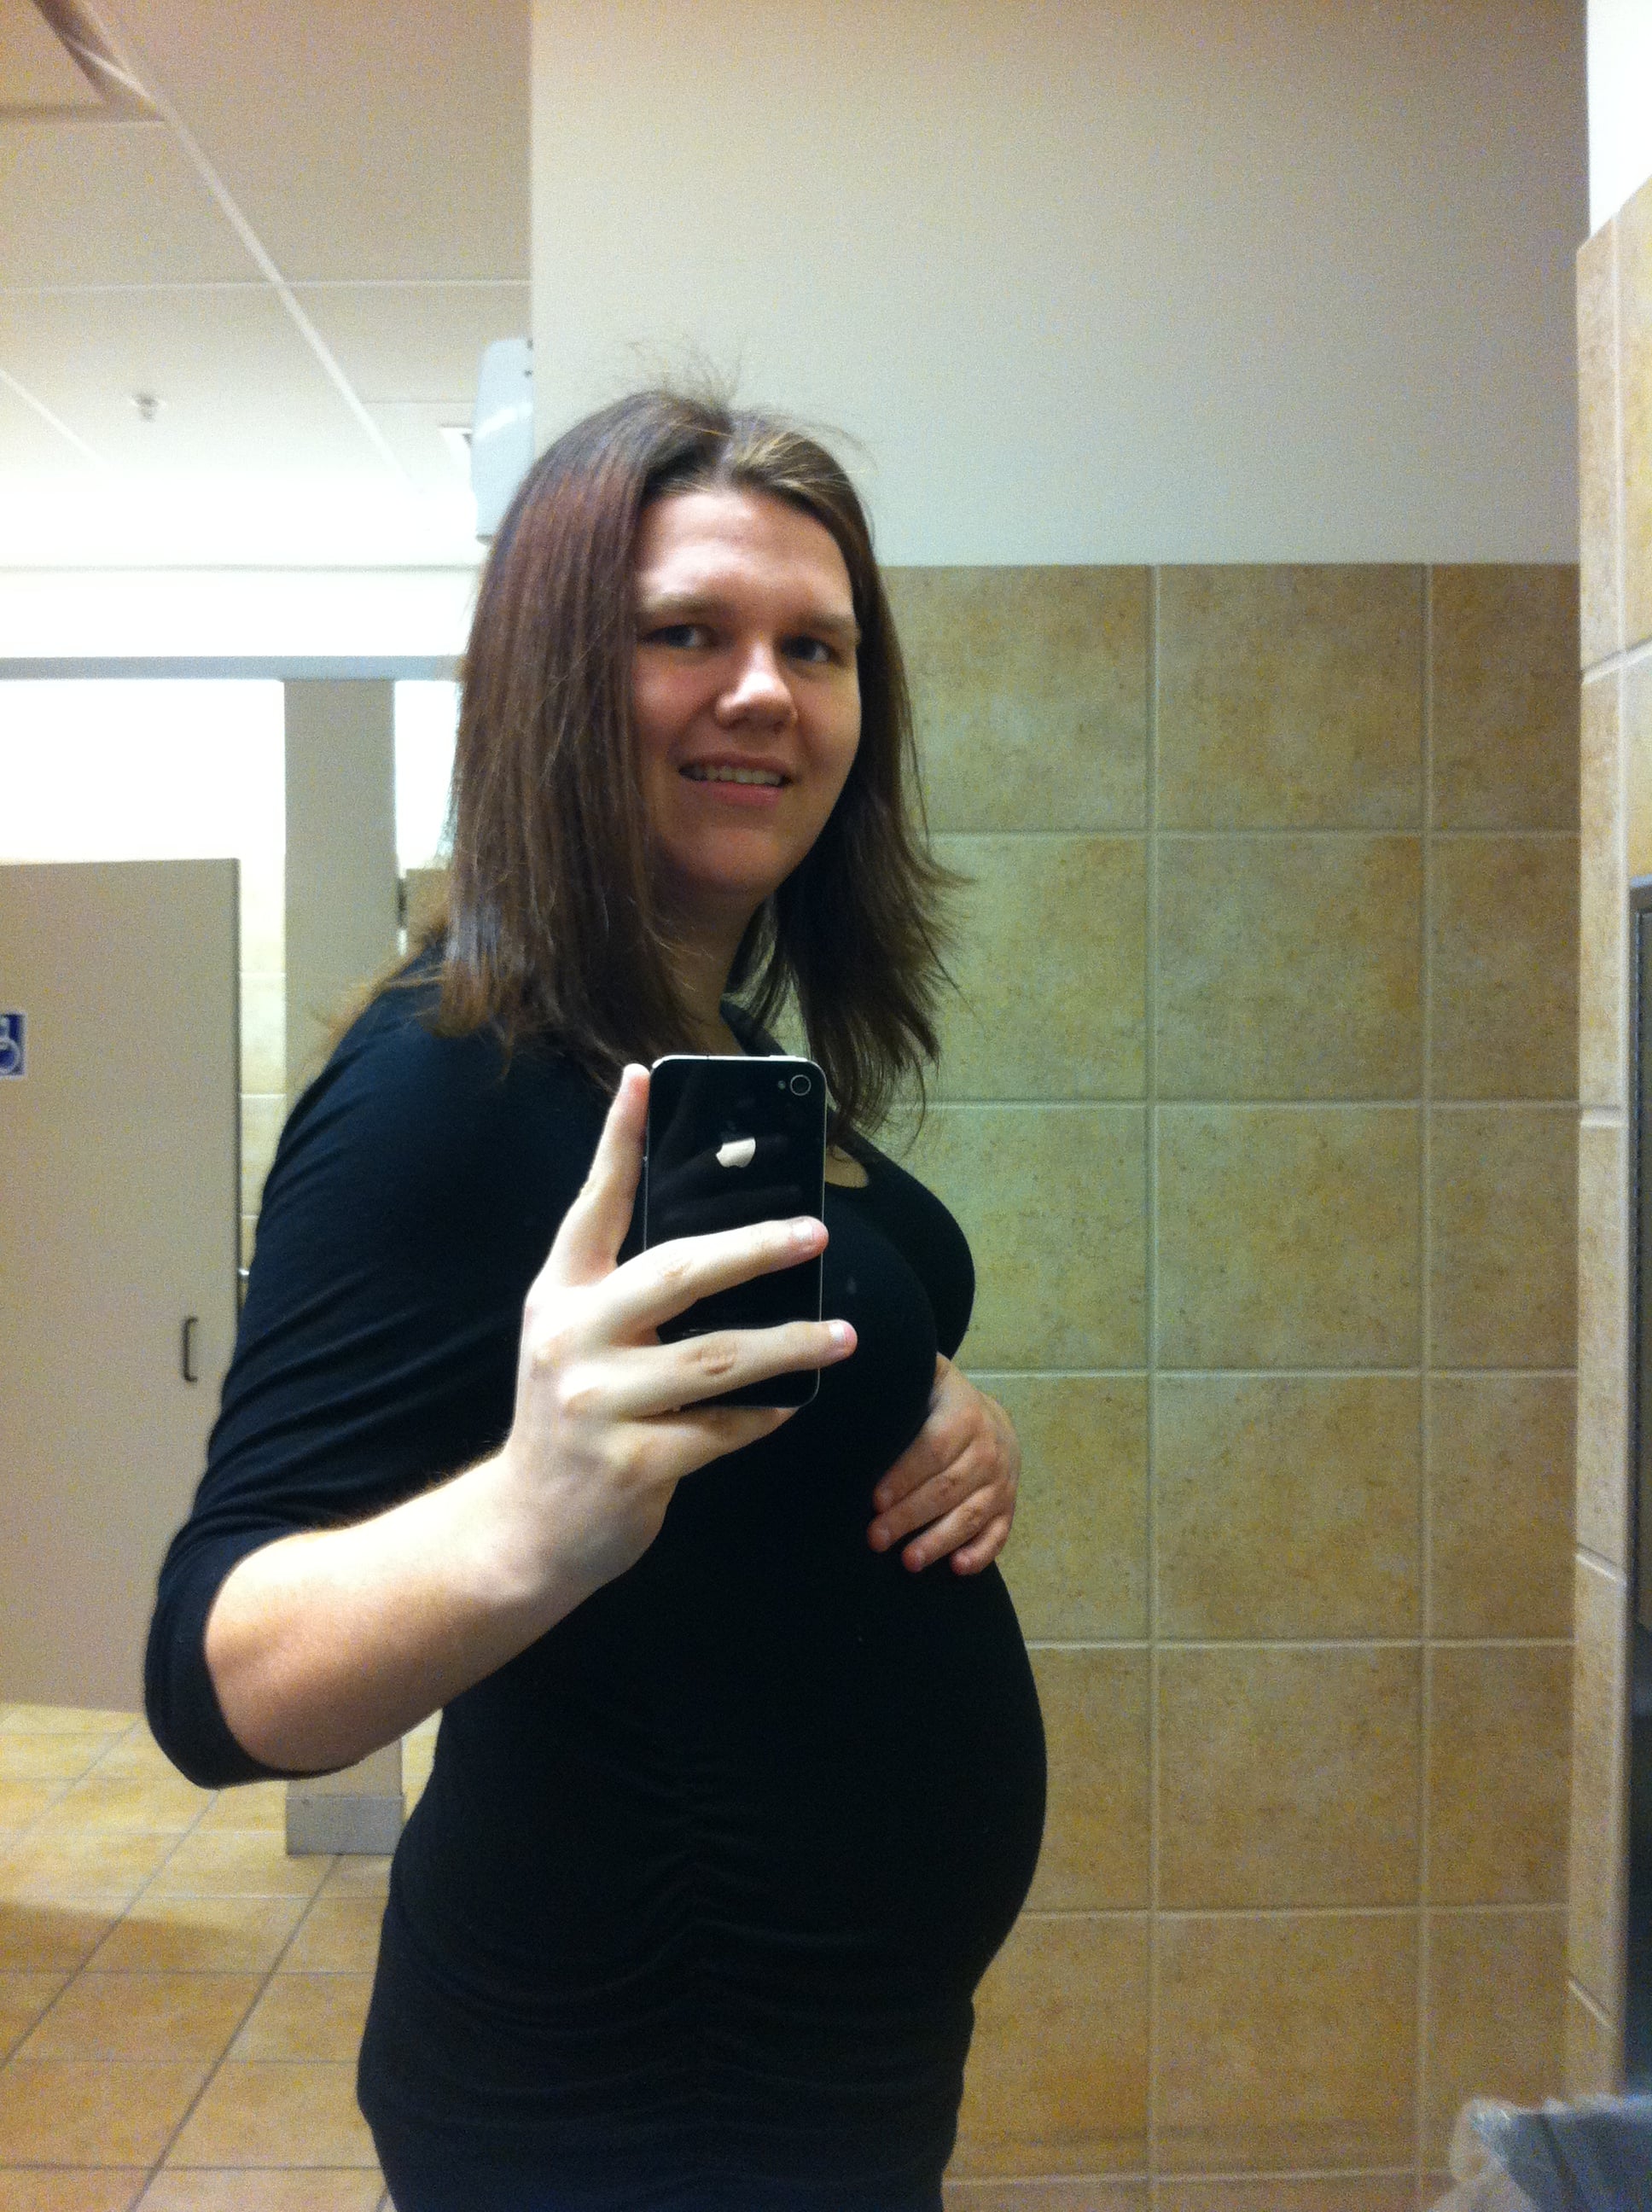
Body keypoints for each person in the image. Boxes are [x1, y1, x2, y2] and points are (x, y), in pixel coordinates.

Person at [146, 390, 1047, 2212]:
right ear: (553, 684)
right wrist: (527, 1518)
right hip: (632, 2095)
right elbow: (214, 1680)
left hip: (808, 2068)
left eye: (816, 647)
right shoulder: (451, 1082)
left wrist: (922, 1392)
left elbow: (744, 1424)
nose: (765, 692)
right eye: (685, 633)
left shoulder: (701, 1043)